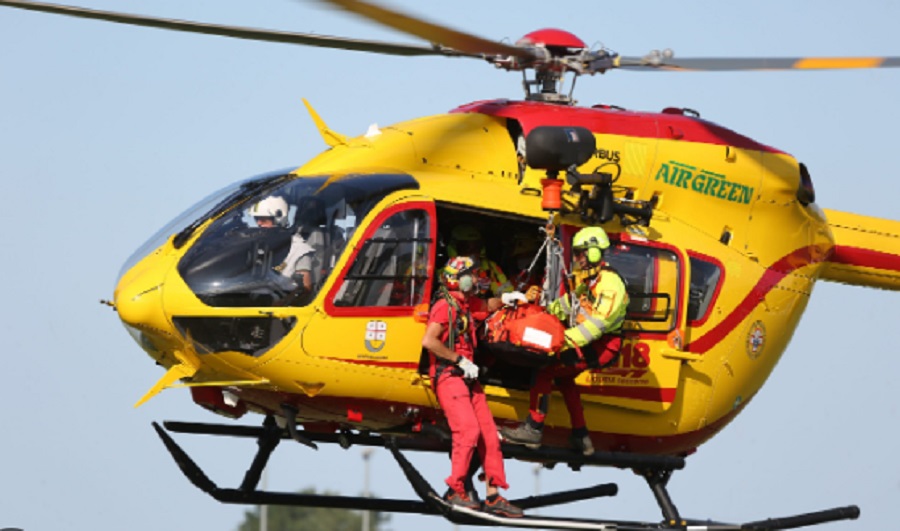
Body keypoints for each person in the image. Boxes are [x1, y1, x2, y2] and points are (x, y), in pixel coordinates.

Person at [500, 226, 629, 455]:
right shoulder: (589, 282)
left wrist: (560, 342)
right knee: (566, 380)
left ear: (594, 253)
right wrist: (538, 311)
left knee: (546, 371)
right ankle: (581, 436)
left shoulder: (610, 285)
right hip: (587, 342)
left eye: (580, 253)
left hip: (601, 346)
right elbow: (565, 305)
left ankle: (533, 429)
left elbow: (596, 326)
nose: (577, 259)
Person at [421, 256, 523, 517]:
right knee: (468, 431)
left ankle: (493, 495)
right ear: (462, 278)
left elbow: (486, 305)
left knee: (489, 434)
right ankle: (456, 489)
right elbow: (430, 341)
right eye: (474, 274)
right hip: (449, 376)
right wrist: (459, 360)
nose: (478, 278)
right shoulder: (445, 306)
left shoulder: (465, 304)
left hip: (467, 377)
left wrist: (507, 299)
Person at [249, 195, 317, 298]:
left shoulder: (299, 249)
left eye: (264, 219)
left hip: (281, 306)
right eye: (257, 219)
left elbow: (305, 288)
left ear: (279, 218)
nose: (258, 223)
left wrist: (281, 304)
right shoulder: (256, 245)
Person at [449, 224, 512, 298]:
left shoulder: (489, 267)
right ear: (454, 248)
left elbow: (506, 291)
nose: (472, 252)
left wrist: (504, 298)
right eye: (466, 247)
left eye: (476, 247)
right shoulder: (447, 269)